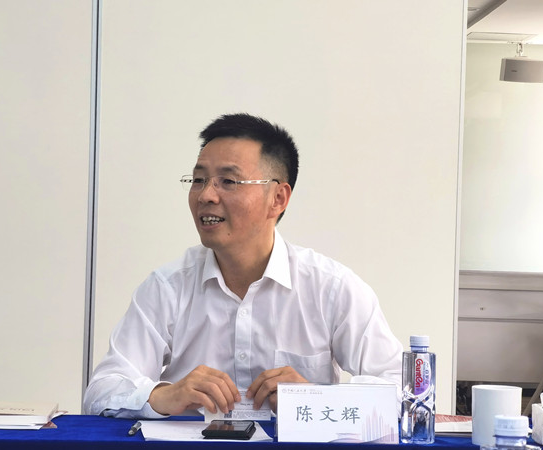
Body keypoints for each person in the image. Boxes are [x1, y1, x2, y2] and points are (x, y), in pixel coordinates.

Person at [83, 113, 403, 419]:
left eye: (228, 181)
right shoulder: (167, 287)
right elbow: (102, 390)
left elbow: (402, 389)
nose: (206, 195)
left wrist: (315, 397)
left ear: (278, 198)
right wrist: (163, 395)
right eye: (199, 180)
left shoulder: (331, 288)